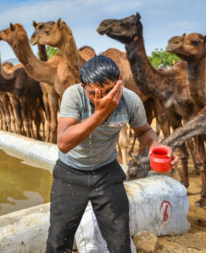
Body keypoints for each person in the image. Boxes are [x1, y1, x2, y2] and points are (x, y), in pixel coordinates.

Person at [46, 56, 178, 253]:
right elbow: (64, 143)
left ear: (119, 83)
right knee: (58, 239)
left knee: (120, 241)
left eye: (109, 92)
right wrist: (100, 113)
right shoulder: (73, 95)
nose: (102, 99)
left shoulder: (130, 100)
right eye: (93, 93)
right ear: (83, 86)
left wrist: (154, 146)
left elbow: (144, 131)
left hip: (106, 174)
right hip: (70, 175)